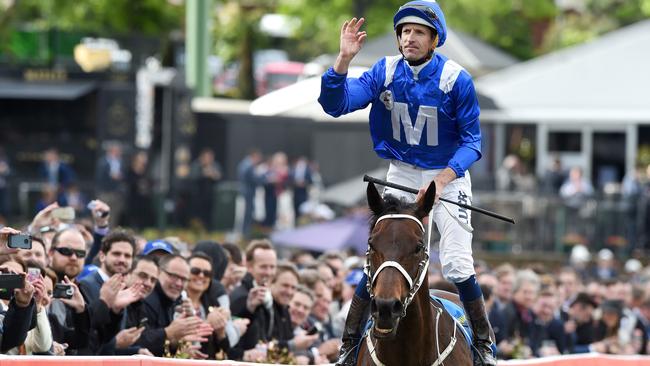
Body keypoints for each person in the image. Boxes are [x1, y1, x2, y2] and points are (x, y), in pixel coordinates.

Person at [317, 1, 495, 364]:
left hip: (448, 175)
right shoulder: (384, 71)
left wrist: (443, 181)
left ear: (434, 40)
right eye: (405, 32)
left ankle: (483, 343)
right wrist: (343, 61)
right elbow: (335, 104)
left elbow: (473, 142)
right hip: (401, 172)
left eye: (419, 32)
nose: (409, 38)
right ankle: (349, 346)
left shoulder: (456, 79)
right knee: (386, 257)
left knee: (459, 263)